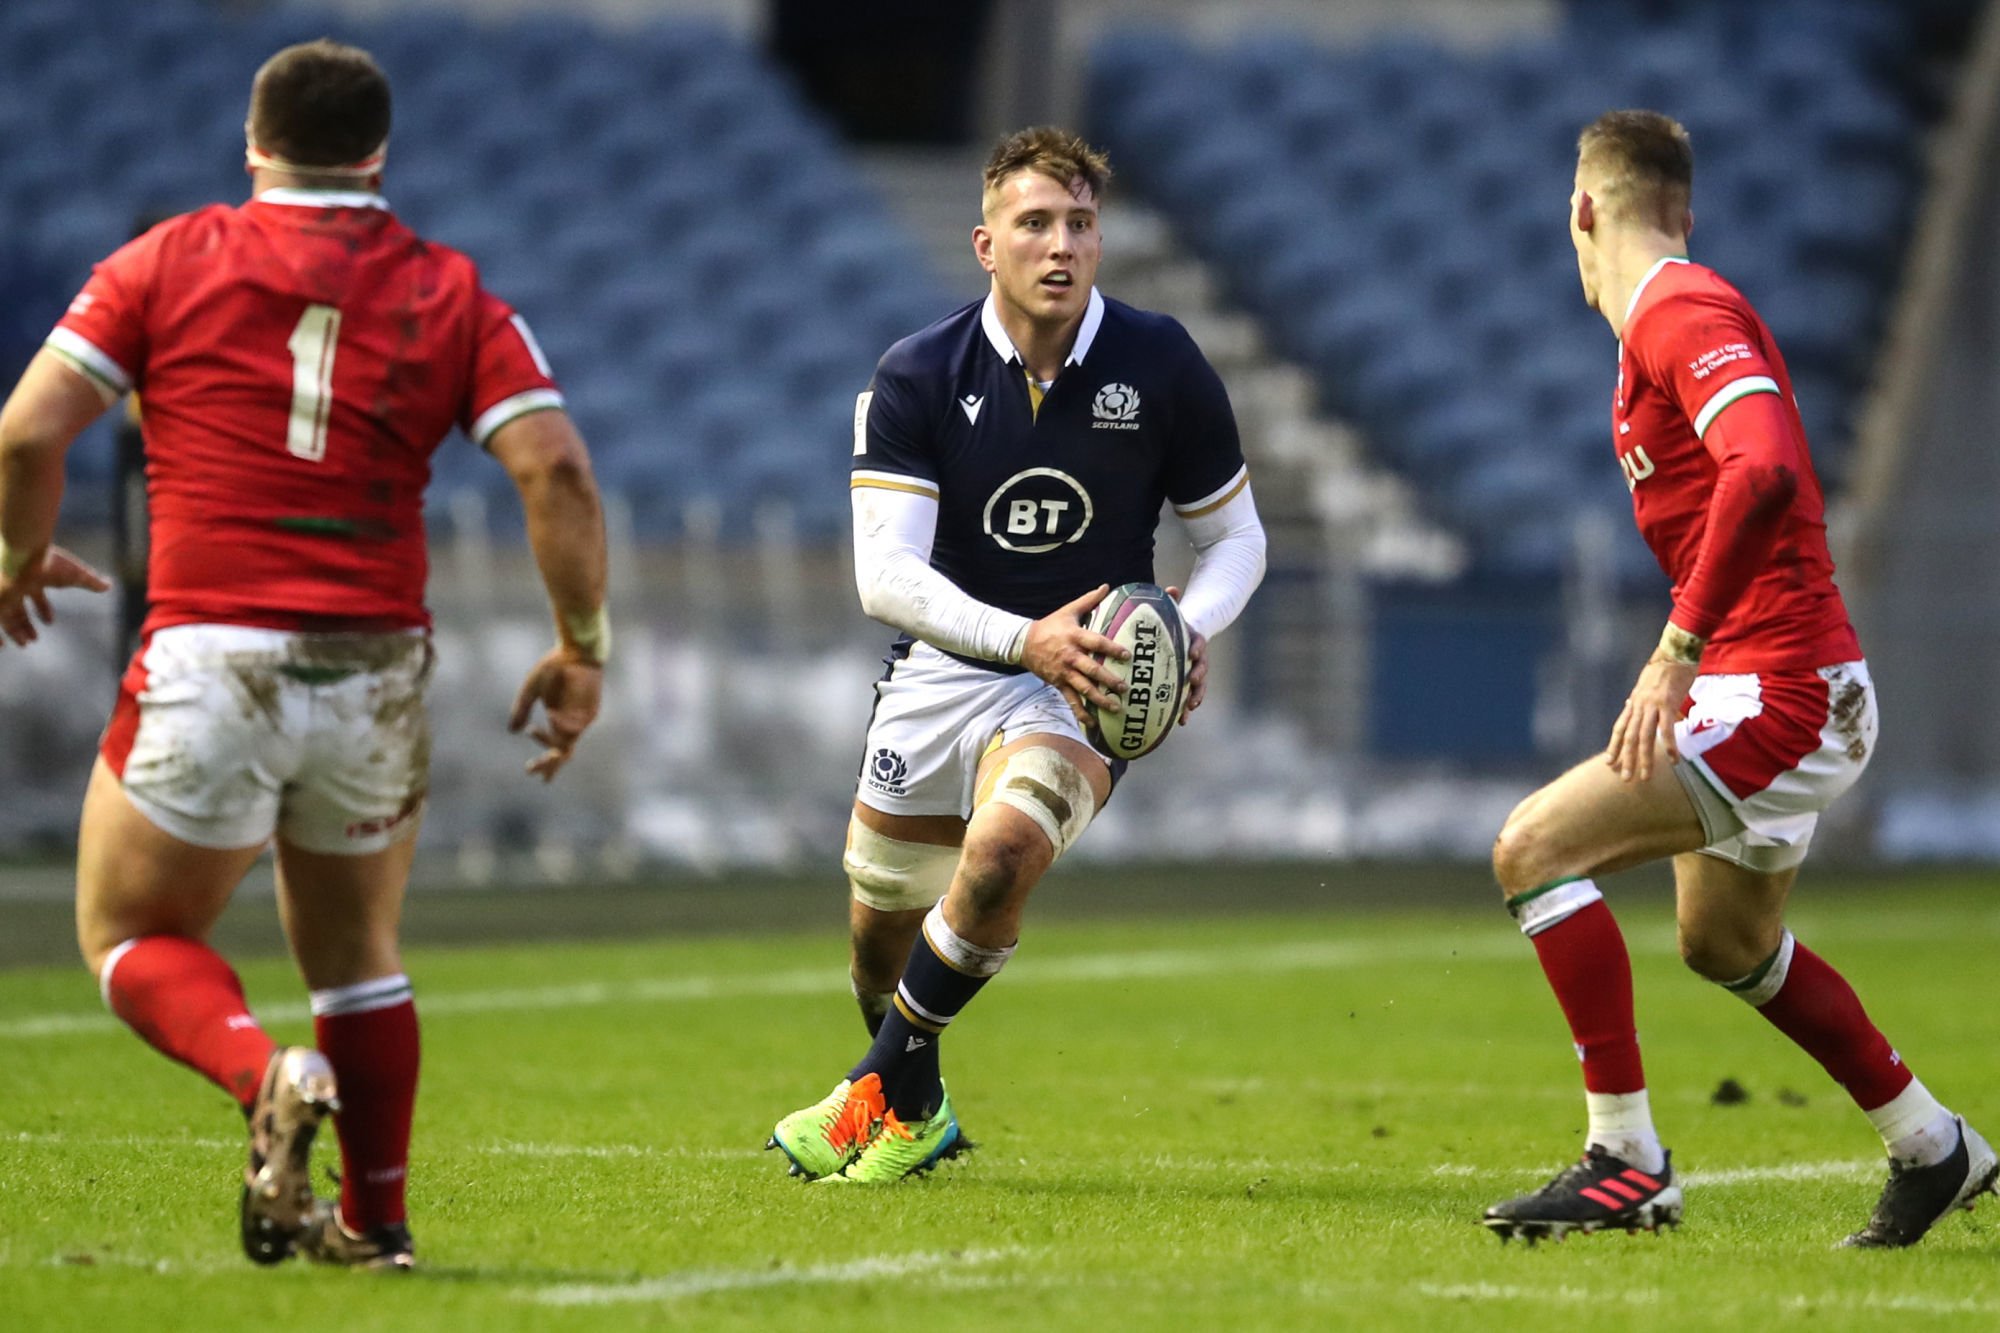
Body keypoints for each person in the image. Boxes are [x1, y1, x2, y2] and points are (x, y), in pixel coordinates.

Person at [0, 39, 610, 1270]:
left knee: (126, 932)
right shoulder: (450, 288)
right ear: (379, 155)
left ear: (254, 144)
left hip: (211, 650)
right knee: (358, 960)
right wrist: (581, 643)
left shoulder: (164, 259)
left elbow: (24, 433)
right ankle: (374, 1225)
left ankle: (259, 1070)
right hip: (375, 662)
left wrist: (15, 554)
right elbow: (553, 466)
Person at [1481, 109, 1992, 1247]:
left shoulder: (1679, 310)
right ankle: (1933, 1145)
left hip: (1785, 689)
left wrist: (1674, 649)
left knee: (1532, 848)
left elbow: (1762, 470)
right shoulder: (1667, 323)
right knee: (1725, 941)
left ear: (1581, 210)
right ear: (1685, 207)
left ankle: (1625, 1161)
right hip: (1769, 681)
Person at [767, 127, 1267, 1184]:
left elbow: (1237, 539)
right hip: (945, 666)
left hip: (1083, 680)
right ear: (985, 243)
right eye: (1034, 223)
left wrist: (1188, 628)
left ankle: (868, 1086)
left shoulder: (1161, 362)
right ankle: (917, 1107)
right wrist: (1018, 638)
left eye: (1080, 223)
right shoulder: (915, 373)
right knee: (878, 936)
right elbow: (884, 578)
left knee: (998, 858)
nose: (1061, 245)